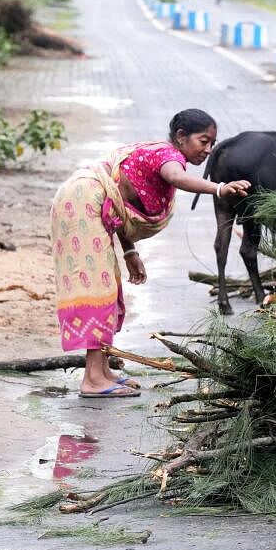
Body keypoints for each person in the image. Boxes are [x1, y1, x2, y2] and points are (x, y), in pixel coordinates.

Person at [50, 109, 251, 397]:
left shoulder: (162, 154)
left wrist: (130, 251)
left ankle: (102, 371)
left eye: (211, 143)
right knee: (98, 289)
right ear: (181, 137)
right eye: (203, 141)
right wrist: (218, 189)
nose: (207, 150)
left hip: (92, 203)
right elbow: (177, 178)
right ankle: (93, 379)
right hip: (82, 202)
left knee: (110, 286)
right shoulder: (168, 157)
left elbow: (118, 203)